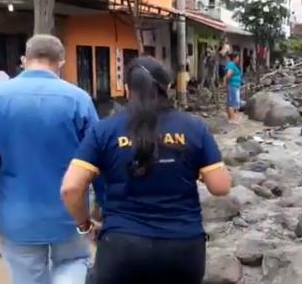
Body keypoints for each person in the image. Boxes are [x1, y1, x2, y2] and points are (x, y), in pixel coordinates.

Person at [60, 56, 232, 284]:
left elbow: (70, 189)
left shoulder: (103, 131)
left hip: (122, 246)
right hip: (182, 247)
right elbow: (221, 187)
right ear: (168, 87)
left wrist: (85, 225)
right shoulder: (194, 128)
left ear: (127, 88)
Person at [0, 34, 98, 284]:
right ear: (62, 61)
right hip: (71, 216)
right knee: (74, 264)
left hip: (17, 220)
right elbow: (98, 161)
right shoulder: (79, 100)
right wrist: (108, 210)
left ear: (25, 60)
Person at [223, 52, 242, 124]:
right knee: (232, 102)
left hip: (234, 85)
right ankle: (232, 119)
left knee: (232, 102)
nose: (238, 59)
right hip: (233, 85)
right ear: (235, 57)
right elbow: (228, 74)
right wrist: (227, 81)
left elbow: (226, 76)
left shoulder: (232, 64)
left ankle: (232, 118)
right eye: (238, 57)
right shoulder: (231, 64)